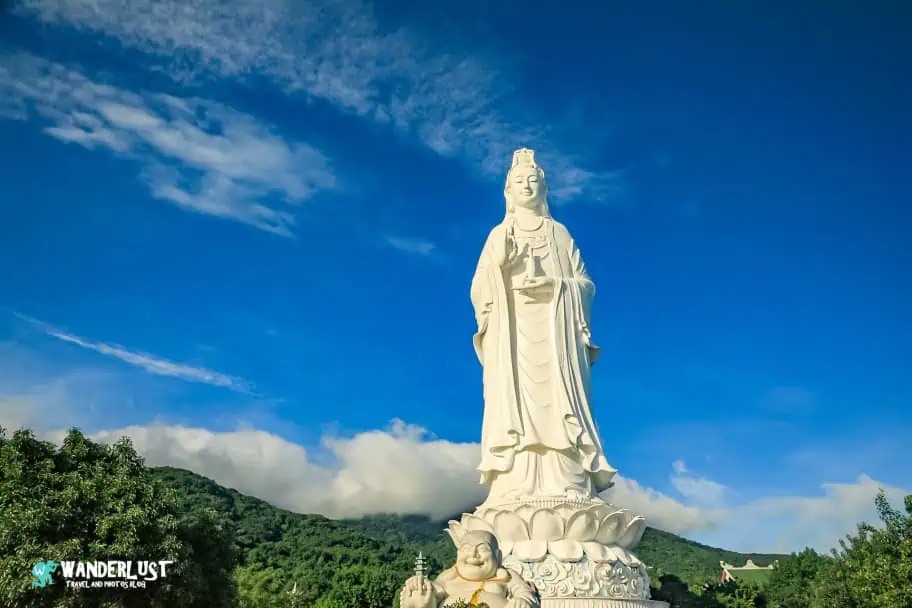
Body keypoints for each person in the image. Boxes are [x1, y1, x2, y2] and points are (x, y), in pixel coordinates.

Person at [470, 148, 616, 505]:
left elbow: (585, 284)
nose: (527, 186)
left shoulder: (559, 234)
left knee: (558, 400)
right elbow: (478, 288)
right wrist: (500, 266)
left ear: (544, 188)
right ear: (508, 191)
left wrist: (557, 287)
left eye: (533, 179)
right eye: (519, 181)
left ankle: (567, 479)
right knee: (514, 402)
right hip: (513, 331)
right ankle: (514, 483)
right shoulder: (498, 235)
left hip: (556, 334)